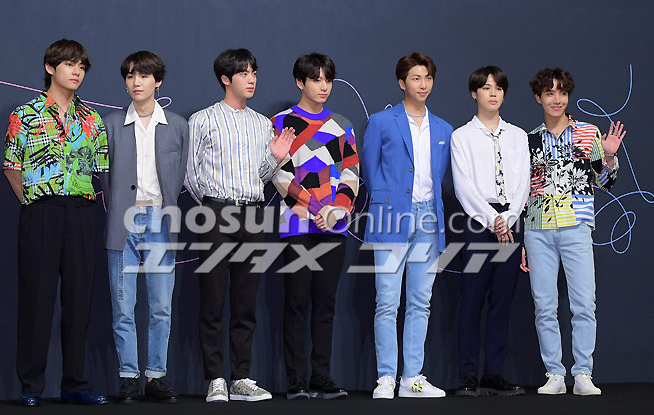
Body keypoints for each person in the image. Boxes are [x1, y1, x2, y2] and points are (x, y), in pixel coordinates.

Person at [184, 48, 295, 402]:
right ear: (225, 78)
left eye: (254, 73)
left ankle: (241, 377)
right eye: (244, 73)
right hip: (216, 213)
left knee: (246, 301)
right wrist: (214, 207)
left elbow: (262, 176)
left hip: (254, 214)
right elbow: (191, 175)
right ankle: (216, 378)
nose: (251, 79)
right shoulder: (202, 120)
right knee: (213, 299)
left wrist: (275, 157)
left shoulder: (262, 123)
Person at [3, 39, 109, 406]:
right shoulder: (25, 114)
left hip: (81, 213)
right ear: (50, 67)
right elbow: (12, 167)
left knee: (80, 301)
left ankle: (74, 383)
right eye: (69, 64)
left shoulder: (92, 119)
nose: (77, 71)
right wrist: (35, 201)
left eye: (82, 66)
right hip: (41, 212)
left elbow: (98, 169)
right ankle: (31, 385)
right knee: (37, 299)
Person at [522, 67, 626, 396]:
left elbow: (605, 182)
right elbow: (525, 191)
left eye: (562, 92)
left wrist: (609, 155)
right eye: (550, 93)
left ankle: (583, 374)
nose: (557, 99)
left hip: (577, 226)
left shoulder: (588, 132)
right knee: (544, 306)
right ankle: (554, 373)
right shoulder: (529, 139)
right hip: (538, 230)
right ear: (538, 97)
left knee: (583, 304)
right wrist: (523, 238)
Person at [363, 52, 453, 399]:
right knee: (387, 301)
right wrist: (388, 204)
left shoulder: (443, 128)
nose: (423, 84)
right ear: (402, 83)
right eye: (416, 78)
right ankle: (386, 377)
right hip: (391, 215)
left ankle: (412, 377)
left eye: (427, 77)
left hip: (429, 217)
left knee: (421, 302)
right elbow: (371, 171)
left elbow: (439, 176)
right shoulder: (381, 122)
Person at [270, 53, 359, 400]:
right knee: (296, 301)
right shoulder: (281, 122)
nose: (324, 87)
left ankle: (321, 374)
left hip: (333, 227)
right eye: (316, 79)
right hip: (296, 225)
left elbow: (351, 175)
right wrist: (318, 207)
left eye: (328, 80)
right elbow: (280, 176)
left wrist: (336, 211)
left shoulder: (342, 125)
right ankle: (296, 377)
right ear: (300, 82)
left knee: (326, 303)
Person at [102, 51, 188, 404]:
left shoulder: (177, 126)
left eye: (143, 75)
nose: (136, 82)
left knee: (160, 305)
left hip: (161, 221)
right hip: (122, 221)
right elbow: (104, 178)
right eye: (130, 76)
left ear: (158, 81)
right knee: (123, 305)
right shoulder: (110, 125)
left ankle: (155, 375)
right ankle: (128, 376)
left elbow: (182, 175)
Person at [450, 66, 529, 397]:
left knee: (502, 299)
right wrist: (492, 219)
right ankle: (468, 374)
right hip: (477, 222)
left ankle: (494, 373)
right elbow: (463, 186)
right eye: (485, 87)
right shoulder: (461, 136)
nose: (493, 93)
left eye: (498, 88)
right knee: (471, 298)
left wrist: (508, 218)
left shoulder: (518, 136)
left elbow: (524, 182)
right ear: (474, 93)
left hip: (511, 220)